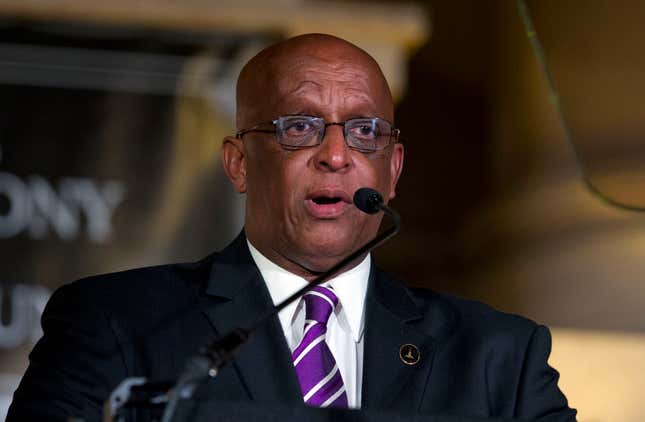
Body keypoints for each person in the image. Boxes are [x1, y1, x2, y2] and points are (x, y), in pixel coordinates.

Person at [7, 34, 576, 421]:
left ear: (393, 169)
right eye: (300, 127)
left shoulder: (500, 357)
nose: (335, 155)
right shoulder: (117, 324)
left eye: (365, 131)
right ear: (238, 163)